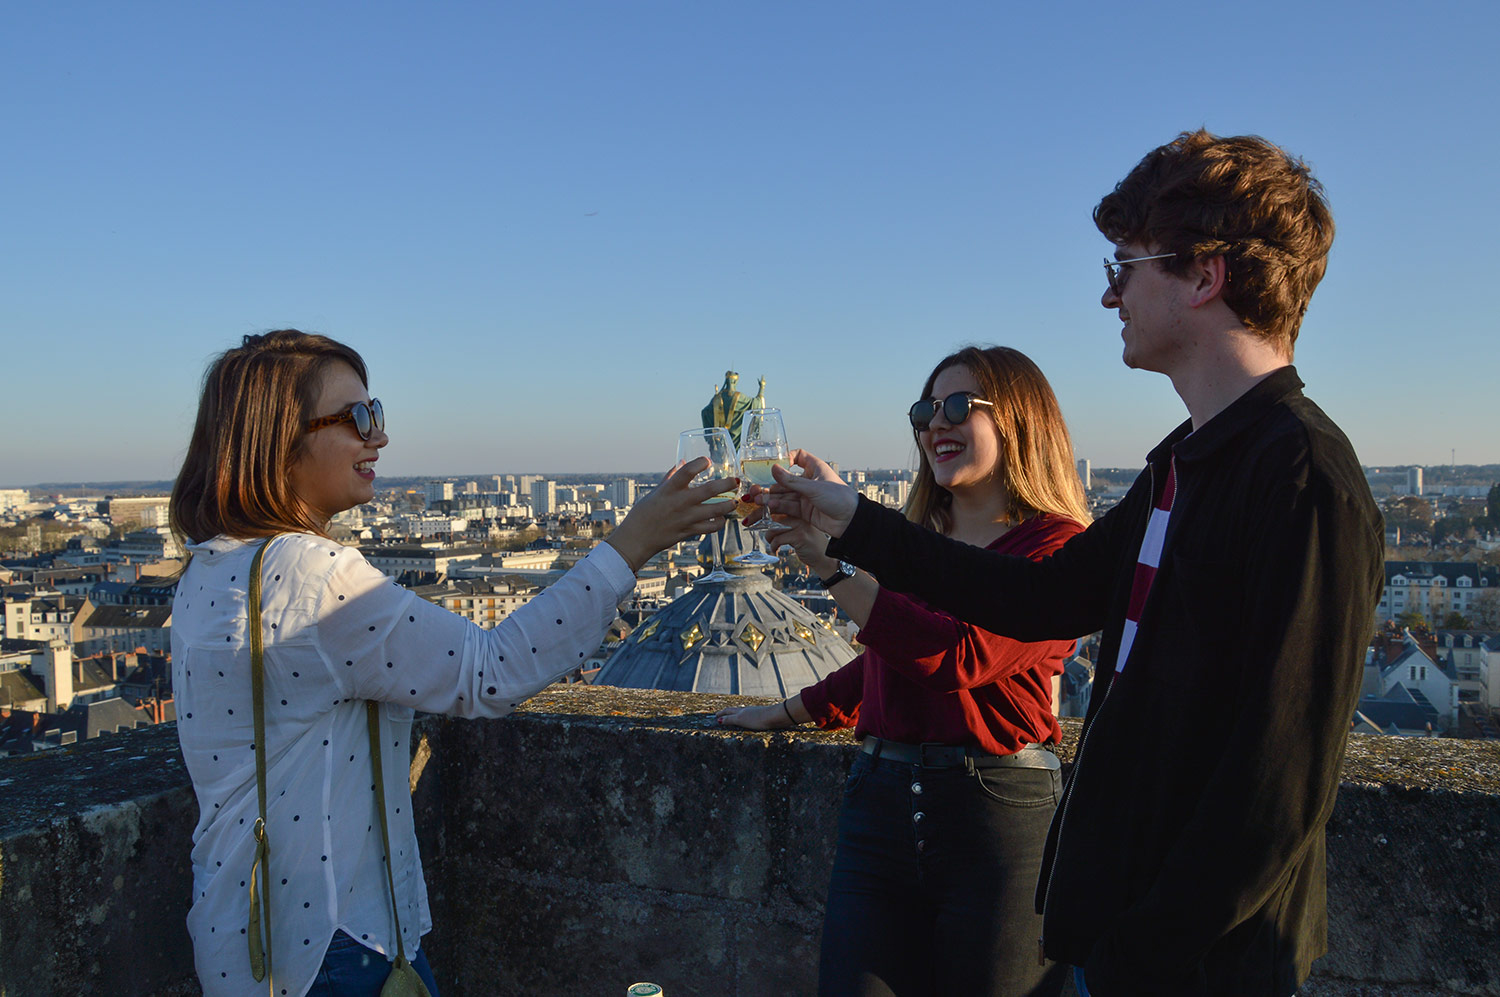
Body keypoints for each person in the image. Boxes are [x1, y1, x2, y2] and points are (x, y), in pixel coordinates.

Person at [762, 131, 1384, 997]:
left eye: (1126, 268)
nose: (1108, 295)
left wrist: (1138, 956)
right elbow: (1042, 596)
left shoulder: (1302, 478)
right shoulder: (1186, 461)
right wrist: (855, 523)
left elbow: (1277, 785)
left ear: (1205, 277)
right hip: (1129, 939)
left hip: (1197, 965)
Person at [168, 330, 734, 997]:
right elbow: (490, 668)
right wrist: (632, 543)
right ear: (281, 441)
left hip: (241, 929)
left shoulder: (210, 568)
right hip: (335, 940)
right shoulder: (309, 573)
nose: (378, 436)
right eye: (358, 418)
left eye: (375, 413)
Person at [717, 345, 1088, 997]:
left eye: (956, 406)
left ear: (1022, 419)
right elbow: (888, 660)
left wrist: (830, 562)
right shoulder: (915, 538)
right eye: (924, 410)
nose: (934, 424)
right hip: (880, 805)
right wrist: (785, 710)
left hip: (999, 821)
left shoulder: (1058, 548)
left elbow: (957, 655)